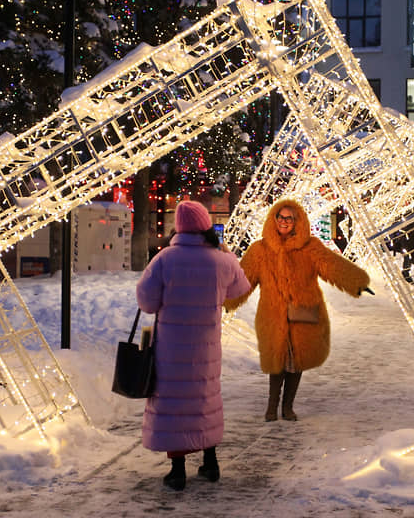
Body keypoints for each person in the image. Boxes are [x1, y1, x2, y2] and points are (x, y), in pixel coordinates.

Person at [136, 200, 251, 491]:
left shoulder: (164, 260)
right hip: (206, 347)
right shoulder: (220, 259)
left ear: (179, 226)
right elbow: (240, 288)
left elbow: (146, 302)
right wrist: (227, 258)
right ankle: (210, 463)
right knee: (204, 401)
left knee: (174, 404)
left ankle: (177, 471)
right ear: (205, 225)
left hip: (170, 350)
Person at [224, 199, 371, 422]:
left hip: (303, 313)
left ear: (297, 221)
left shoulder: (310, 247)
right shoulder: (260, 249)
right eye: (280, 217)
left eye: (289, 218)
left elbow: (332, 265)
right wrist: (224, 299)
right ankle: (272, 407)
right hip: (273, 315)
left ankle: (288, 407)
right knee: (277, 360)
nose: (284, 222)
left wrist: (356, 281)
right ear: (274, 219)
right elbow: (243, 280)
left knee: (297, 361)